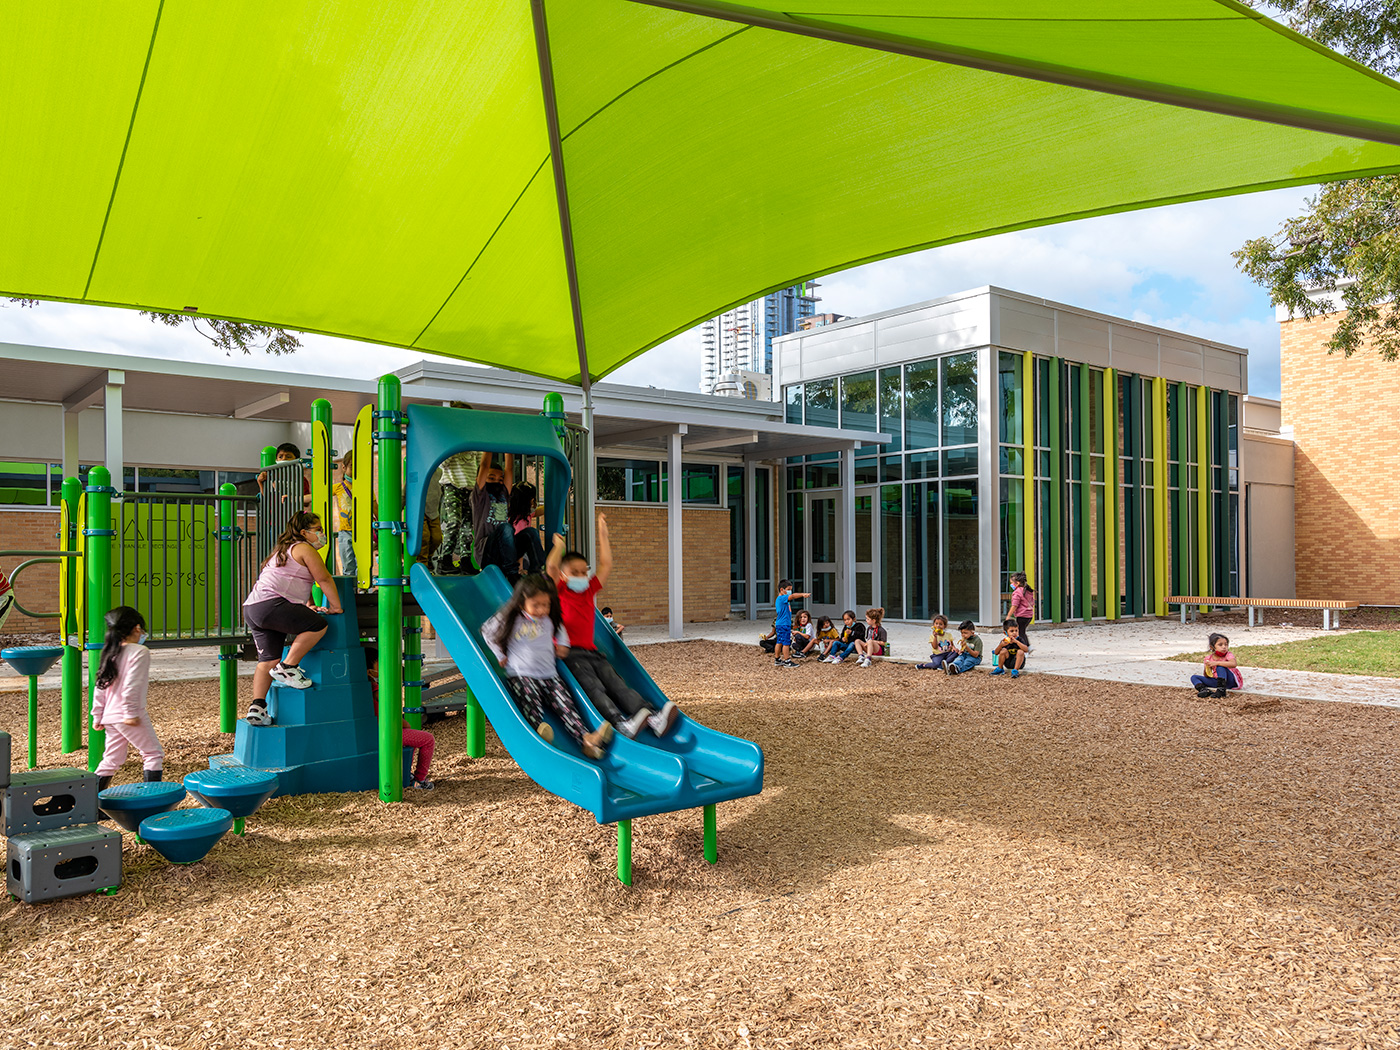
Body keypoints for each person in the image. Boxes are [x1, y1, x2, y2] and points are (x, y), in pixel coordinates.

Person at [547, 516, 678, 738]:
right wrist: (558, 547)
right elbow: (550, 566)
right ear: (563, 575)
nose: (581, 576)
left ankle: (652, 718)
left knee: (617, 684)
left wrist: (603, 535)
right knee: (595, 688)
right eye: (574, 572)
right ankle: (620, 723)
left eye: (583, 571)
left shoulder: (588, 591)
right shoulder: (559, 591)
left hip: (593, 653)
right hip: (571, 656)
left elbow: (606, 565)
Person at [485, 574, 615, 758]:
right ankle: (538, 733)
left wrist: (563, 645)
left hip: (549, 674)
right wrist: (500, 654)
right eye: (536, 605)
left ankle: (587, 740)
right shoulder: (512, 618)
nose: (541, 609)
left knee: (566, 706)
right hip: (521, 673)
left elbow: (561, 631)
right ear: (522, 603)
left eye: (545, 604)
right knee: (530, 699)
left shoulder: (549, 619)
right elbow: (487, 631)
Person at [241, 511, 342, 727]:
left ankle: (257, 708)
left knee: (267, 659)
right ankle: (288, 667)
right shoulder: (305, 548)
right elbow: (323, 578)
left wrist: (308, 604)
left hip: (253, 608)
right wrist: (336, 606)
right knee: (318, 625)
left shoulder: (282, 550)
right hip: (272, 605)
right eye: (319, 530)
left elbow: (297, 580)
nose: (322, 534)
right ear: (304, 532)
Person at [91, 606, 162, 791]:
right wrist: (130, 713)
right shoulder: (139, 652)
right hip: (126, 716)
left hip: (110, 717)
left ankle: (91, 805)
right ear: (137, 628)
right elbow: (133, 684)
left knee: (111, 759)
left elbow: (100, 687)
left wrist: (97, 716)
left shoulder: (110, 652)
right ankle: (151, 802)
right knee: (153, 754)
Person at [365, 646, 437, 790]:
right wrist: (404, 723)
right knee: (428, 740)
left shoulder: (364, 686)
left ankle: (406, 774)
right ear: (369, 671)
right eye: (379, 663)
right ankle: (419, 779)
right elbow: (390, 713)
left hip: (374, 731)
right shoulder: (376, 689)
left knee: (413, 740)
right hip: (386, 732)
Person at [433, 422, 482, 575]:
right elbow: (442, 463)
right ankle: (444, 559)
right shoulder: (450, 442)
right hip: (452, 485)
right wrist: (456, 445)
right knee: (454, 521)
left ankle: (465, 561)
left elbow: (480, 464)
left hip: (470, 488)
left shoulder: (474, 444)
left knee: (468, 527)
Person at [470, 455, 514, 573]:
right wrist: (489, 440)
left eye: (500, 479)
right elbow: (484, 466)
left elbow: (509, 469)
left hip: (503, 550)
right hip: (485, 550)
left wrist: (510, 443)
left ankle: (537, 570)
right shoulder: (479, 497)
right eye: (491, 478)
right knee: (506, 528)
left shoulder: (503, 494)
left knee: (530, 533)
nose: (497, 482)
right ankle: (511, 572)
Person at [504, 482, 546, 583]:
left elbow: (540, 511)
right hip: (514, 558)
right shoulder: (517, 521)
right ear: (531, 500)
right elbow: (517, 548)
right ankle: (537, 571)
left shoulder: (524, 514)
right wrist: (520, 568)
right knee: (532, 534)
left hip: (517, 554)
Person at [257, 442, 311, 508]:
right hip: (273, 515)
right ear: (276, 460)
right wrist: (260, 482)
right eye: (280, 457)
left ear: (296, 460)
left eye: (288, 457)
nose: (284, 459)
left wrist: (293, 498)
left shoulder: (301, 479)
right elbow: (267, 498)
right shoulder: (271, 477)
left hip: (292, 515)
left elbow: (306, 504)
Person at [772, 579, 811, 669]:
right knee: (786, 643)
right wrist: (802, 594)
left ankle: (777, 659)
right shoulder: (782, 598)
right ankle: (787, 661)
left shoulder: (781, 600)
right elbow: (793, 596)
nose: (790, 591)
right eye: (788, 589)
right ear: (782, 589)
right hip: (784, 624)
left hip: (780, 624)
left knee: (779, 642)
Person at [1190, 633, 1244, 698]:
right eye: (1220, 645)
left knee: (1220, 667)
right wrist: (1207, 668)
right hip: (1217, 681)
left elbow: (1233, 664)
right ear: (1212, 647)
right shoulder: (1208, 658)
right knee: (1194, 677)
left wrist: (1216, 663)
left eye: (1226, 644)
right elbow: (1206, 675)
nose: (1224, 647)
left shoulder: (1228, 654)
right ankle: (1204, 690)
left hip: (1230, 681)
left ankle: (1221, 691)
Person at [332, 451, 356, 580]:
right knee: (348, 565)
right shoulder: (339, 487)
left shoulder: (364, 487)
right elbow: (318, 496)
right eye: (352, 466)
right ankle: (351, 593)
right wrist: (295, 498)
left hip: (363, 531)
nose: (356, 470)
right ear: (344, 467)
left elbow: (375, 507)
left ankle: (363, 591)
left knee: (363, 564)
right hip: (345, 531)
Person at [1009, 572, 1035, 644]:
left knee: (1020, 633)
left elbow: (1014, 605)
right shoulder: (1027, 591)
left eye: (1012, 583)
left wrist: (1008, 615)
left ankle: (1026, 647)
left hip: (1022, 615)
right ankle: (1027, 646)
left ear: (1017, 583)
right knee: (1022, 631)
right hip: (1029, 615)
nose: (1011, 585)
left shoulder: (1017, 592)